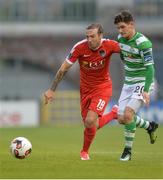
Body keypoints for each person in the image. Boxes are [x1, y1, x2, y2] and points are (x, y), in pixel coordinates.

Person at [44, 23, 120, 160]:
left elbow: (128, 50)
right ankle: (113, 114)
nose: (89, 39)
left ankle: (84, 152)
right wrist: (51, 89)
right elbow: (63, 69)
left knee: (91, 120)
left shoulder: (109, 45)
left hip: (103, 87)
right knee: (90, 124)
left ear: (101, 36)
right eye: (87, 36)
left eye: (92, 36)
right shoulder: (79, 47)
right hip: (85, 90)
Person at [114, 10, 158, 161]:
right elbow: (122, 55)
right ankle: (149, 126)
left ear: (132, 24)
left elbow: (150, 68)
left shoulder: (143, 43)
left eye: (123, 27)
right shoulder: (120, 38)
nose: (120, 31)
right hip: (128, 83)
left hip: (142, 82)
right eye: (118, 28)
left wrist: (146, 90)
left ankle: (127, 152)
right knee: (121, 119)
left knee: (128, 114)